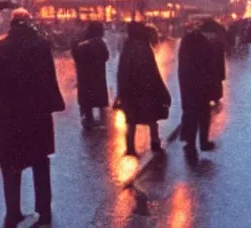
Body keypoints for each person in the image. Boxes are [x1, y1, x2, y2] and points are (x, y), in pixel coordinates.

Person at [0, 9, 65, 228]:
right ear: (29, 23)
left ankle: (13, 213)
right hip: (36, 115)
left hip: (9, 117)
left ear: (11, 24)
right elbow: (49, 79)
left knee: (10, 166)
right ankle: (44, 211)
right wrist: (53, 104)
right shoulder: (41, 45)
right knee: (40, 163)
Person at [116, 21, 171, 156]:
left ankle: (130, 147)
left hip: (130, 90)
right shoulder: (144, 48)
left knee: (131, 120)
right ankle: (155, 142)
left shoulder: (127, 47)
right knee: (151, 118)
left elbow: (122, 71)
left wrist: (121, 91)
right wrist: (161, 91)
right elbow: (152, 72)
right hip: (146, 89)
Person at [178, 19, 221, 156]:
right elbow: (210, 68)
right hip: (200, 86)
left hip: (188, 85)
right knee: (202, 115)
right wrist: (213, 89)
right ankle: (202, 142)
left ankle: (190, 143)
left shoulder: (189, 40)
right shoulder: (204, 44)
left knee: (191, 114)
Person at [71, 21, 110, 130]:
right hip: (97, 75)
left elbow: (75, 54)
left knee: (86, 100)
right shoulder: (99, 43)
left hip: (84, 76)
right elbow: (106, 56)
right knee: (98, 98)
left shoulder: (80, 42)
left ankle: (88, 119)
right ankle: (100, 121)